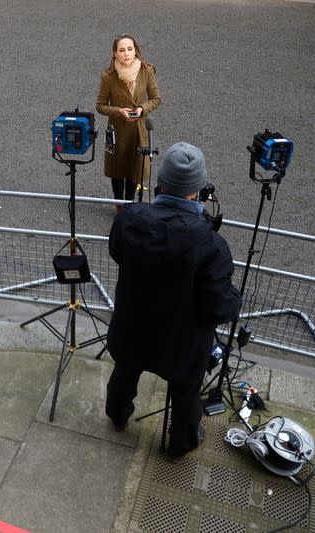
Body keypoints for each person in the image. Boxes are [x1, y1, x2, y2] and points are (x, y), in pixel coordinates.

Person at [105, 142, 241, 459]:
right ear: (198, 191)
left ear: (160, 183)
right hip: (182, 346)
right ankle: (181, 443)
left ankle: (119, 417)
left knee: (124, 374)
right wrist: (235, 299)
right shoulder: (211, 243)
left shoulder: (129, 219)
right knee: (185, 394)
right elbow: (219, 308)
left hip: (132, 331)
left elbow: (117, 254)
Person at [96, 33, 162, 215]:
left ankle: (130, 203)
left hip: (138, 130)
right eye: (122, 50)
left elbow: (156, 98)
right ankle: (119, 205)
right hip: (118, 129)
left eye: (130, 49)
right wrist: (119, 111)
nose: (127, 54)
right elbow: (100, 106)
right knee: (118, 170)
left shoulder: (146, 71)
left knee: (135, 169)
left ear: (136, 50)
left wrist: (141, 109)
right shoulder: (108, 76)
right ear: (115, 53)